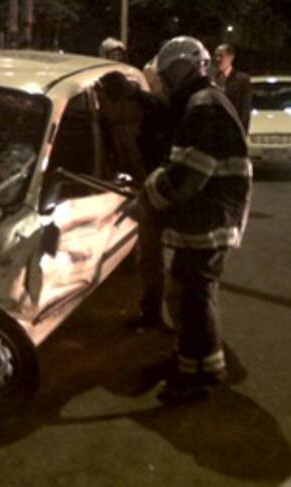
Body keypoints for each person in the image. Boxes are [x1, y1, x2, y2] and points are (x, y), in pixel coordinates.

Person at [125, 36, 252, 403]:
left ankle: (199, 377)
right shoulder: (202, 102)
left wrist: (147, 199)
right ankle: (194, 362)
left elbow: (187, 174)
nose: (164, 82)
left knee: (192, 296)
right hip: (206, 216)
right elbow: (181, 164)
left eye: (166, 74)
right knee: (187, 293)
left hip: (209, 218)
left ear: (181, 68)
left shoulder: (203, 107)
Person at [96, 71, 171, 331]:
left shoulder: (150, 115)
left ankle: (157, 317)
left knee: (156, 257)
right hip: (147, 188)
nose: (100, 109)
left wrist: (149, 195)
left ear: (118, 101)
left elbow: (160, 162)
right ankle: (154, 312)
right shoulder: (123, 120)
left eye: (102, 102)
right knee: (151, 257)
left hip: (163, 191)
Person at [212, 43, 252, 134]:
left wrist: (241, 132)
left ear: (231, 57)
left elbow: (244, 109)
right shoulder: (211, 78)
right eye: (216, 56)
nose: (217, 59)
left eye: (221, 56)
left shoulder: (241, 80)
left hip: (232, 130)